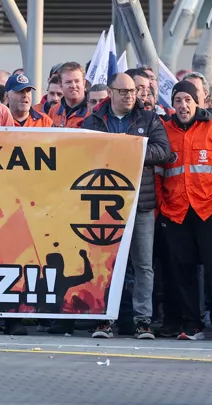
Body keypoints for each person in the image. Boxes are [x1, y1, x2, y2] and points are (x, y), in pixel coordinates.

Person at [80, 72, 171, 339]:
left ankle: (143, 320)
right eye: (124, 91)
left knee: (143, 265)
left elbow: (163, 151)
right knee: (104, 264)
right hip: (104, 202)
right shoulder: (94, 120)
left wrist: (128, 151)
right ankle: (104, 319)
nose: (130, 96)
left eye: (133, 91)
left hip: (140, 203)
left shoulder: (148, 118)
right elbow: (82, 152)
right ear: (111, 93)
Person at [157, 80, 212, 341]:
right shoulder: (164, 131)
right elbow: (157, 174)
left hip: (208, 209)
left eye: (188, 100)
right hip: (176, 212)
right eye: (178, 100)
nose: (183, 105)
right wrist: (162, 205)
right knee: (183, 270)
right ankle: (191, 325)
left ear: (197, 102)